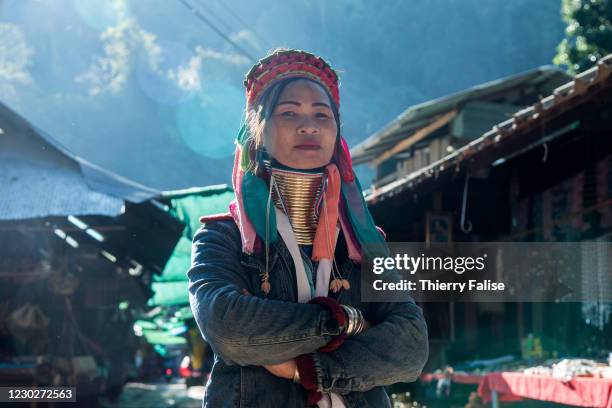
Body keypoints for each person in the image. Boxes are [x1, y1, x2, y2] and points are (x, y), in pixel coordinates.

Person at [188, 48, 428, 408]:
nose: (309, 125)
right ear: (258, 131)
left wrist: (308, 367)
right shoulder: (224, 237)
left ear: (336, 134)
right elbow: (228, 330)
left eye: (322, 114)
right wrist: (348, 322)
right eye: (289, 113)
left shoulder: (363, 244)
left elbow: (411, 346)